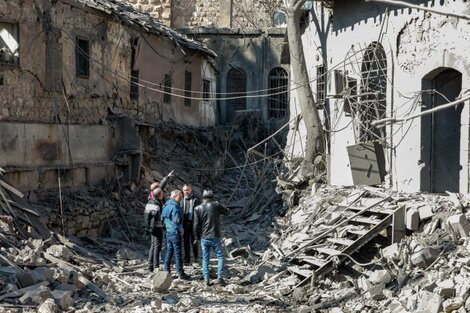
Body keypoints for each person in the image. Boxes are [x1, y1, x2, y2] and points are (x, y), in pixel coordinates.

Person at [193, 190, 230, 286]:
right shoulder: (216, 205)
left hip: (204, 237)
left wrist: (197, 238)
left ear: (203, 197)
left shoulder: (197, 208)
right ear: (212, 197)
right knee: (221, 256)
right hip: (215, 235)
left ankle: (206, 280)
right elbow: (227, 212)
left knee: (205, 258)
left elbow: (196, 225)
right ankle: (220, 278)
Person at [162, 189, 191, 280]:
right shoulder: (175, 206)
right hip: (175, 233)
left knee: (169, 252)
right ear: (175, 196)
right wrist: (181, 229)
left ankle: (166, 271)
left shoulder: (166, 205)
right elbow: (177, 221)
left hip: (168, 232)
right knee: (178, 253)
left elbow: (162, 218)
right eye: (180, 196)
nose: (181, 198)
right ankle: (181, 273)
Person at [144, 187, 164, 272]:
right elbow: (159, 217)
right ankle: (156, 266)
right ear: (160, 195)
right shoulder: (156, 204)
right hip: (157, 227)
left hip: (150, 228)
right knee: (157, 247)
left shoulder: (149, 202)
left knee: (152, 246)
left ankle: (150, 266)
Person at [181, 184, 200, 265]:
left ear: (191, 190)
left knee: (194, 241)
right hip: (184, 223)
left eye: (187, 190)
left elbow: (199, 211)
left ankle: (196, 258)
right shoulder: (181, 199)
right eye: (184, 190)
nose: (186, 192)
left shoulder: (196, 199)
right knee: (185, 242)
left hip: (193, 223)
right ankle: (187, 259)